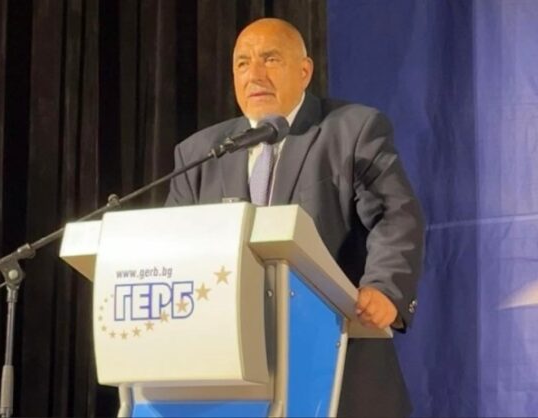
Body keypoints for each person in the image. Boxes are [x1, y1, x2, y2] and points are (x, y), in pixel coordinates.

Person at [165, 18, 425, 417]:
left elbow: (395, 214)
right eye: (242, 63)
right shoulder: (201, 153)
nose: (254, 74)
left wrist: (385, 287)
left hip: (338, 366)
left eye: (270, 59)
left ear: (304, 71)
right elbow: (172, 248)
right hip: (231, 376)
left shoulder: (351, 130)